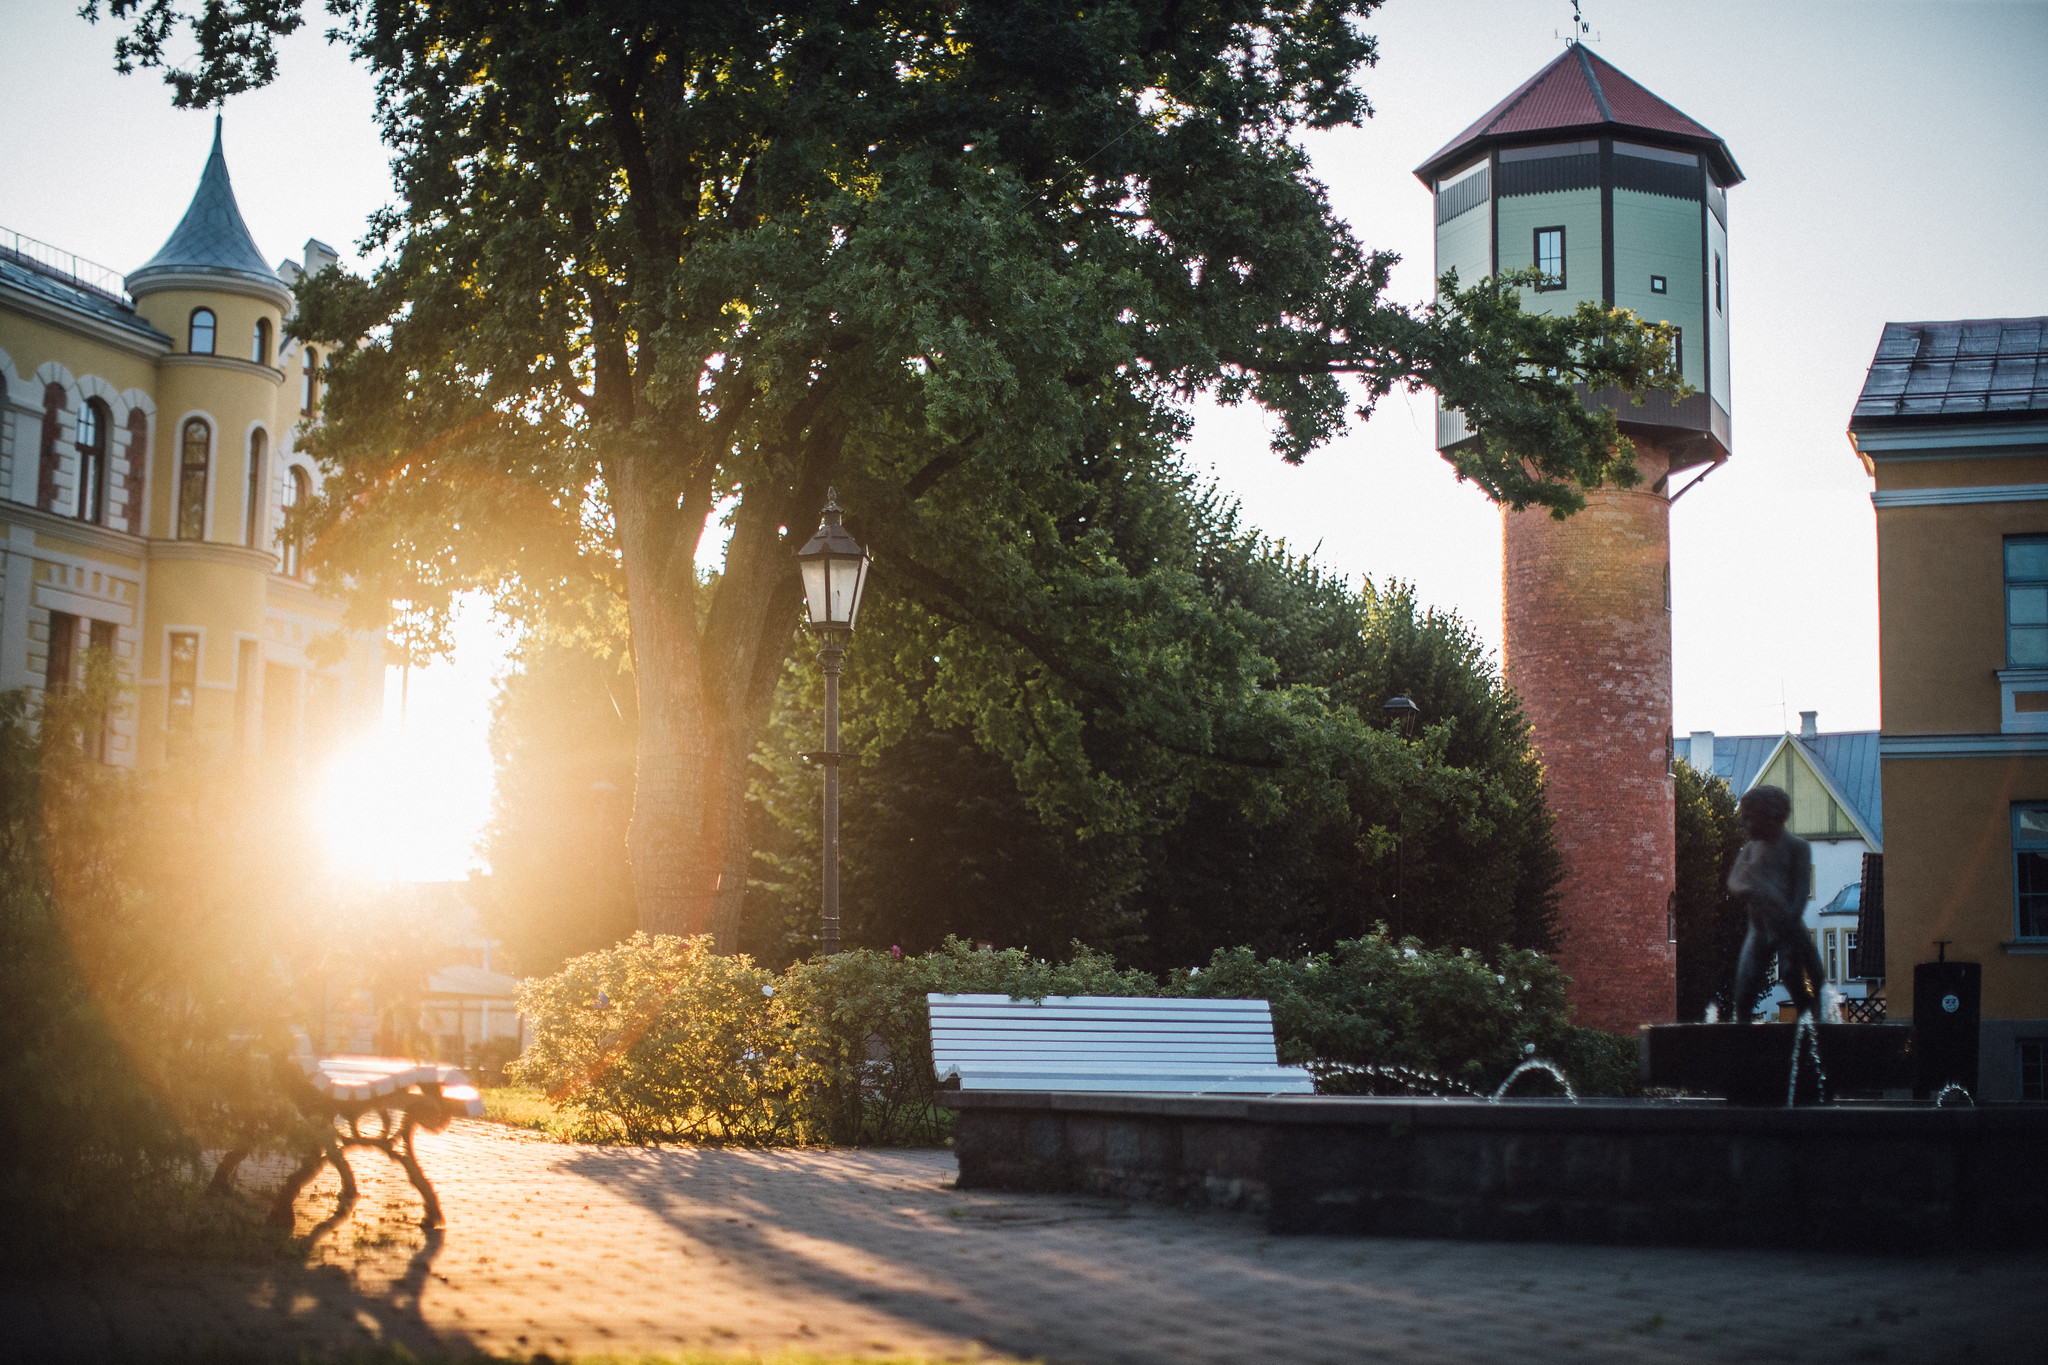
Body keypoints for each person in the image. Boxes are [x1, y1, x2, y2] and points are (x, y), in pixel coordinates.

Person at [1727, 784, 1826, 1019]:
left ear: (1771, 818)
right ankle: (1744, 1050)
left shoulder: (1797, 848)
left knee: (1796, 978)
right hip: (1759, 932)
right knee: (1743, 992)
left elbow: (1800, 894)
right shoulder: (1750, 850)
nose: (1746, 825)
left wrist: (1785, 924)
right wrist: (1753, 890)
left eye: (1750, 819)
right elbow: (1734, 881)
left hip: (1788, 929)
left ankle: (1812, 1032)